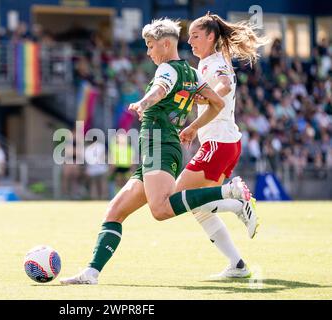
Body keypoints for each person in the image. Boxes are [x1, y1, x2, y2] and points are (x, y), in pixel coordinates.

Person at [60, 18, 251, 285]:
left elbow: (160, 90)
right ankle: (91, 273)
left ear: (165, 44)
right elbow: (218, 102)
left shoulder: (167, 69)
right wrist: (193, 124)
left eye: (150, 46)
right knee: (115, 212)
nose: (149, 52)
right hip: (158, 145)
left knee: (160, 210)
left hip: (160, 143)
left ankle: (227, 192)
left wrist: (143, 101)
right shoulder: (193, 73)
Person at [174, 12, 268, 278]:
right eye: (189, 36)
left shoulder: (211, 64)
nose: (189, 41)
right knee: (200, 208)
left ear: (211, 37)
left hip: (218, 144)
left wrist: (198, 109)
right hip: (226, 143)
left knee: (176, 196)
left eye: (195, 36)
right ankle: (237, 265)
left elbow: (224, 86)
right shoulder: (213, 61)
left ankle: (236, 198)